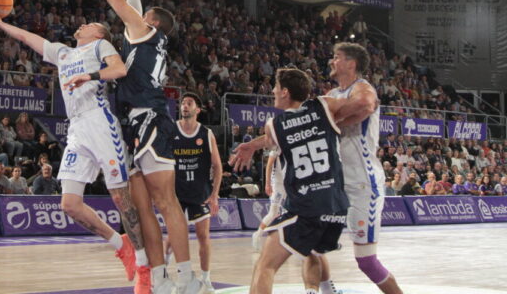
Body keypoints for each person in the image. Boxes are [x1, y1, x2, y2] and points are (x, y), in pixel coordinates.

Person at [0, 6, 146, 286]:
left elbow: (119, 69)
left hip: (100, 121)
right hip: (77, 127)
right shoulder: (63, 52)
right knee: (69, 204)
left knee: (120, 197)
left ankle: (144, 265)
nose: (82, 24)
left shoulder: (100, 46)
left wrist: (90, 77)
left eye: (90, 22)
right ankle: (122, 245)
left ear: (99, 33)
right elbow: (26, 37)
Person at [73, 0, 200, 294]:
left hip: (152, 118)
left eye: (141, 14)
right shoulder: (144, 37)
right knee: (142, 209)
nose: (135, 15)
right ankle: (159, 279)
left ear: (151, 22)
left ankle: (187, 277)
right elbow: (129, 2)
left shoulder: (146, 30)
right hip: (131, 123)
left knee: (165, 201)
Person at [229, 68, 363, 294]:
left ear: (284, 92)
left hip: (305, 205)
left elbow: (271, 140)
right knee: (312, 251)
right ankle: (321, 291)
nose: (272, 91)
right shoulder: (324, 106)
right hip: (336, 206)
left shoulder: (275, 124)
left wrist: (251, 145)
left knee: (265, 265)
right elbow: (362, 105)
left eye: (275, 87)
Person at [323, 43, 404, 294]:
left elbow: (365, 105)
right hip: (336, 183)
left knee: (367, 262)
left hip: (362, 183)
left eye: (336, 57)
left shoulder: (363, 87)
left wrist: (333, 119)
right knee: (311, 245)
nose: (331, 61)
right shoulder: (333, 93)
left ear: (351, 63)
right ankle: (325, 290)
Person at [166, 93, 222, 294]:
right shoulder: (171, 129)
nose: (184, 106)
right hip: (176, 193)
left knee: (202, 236)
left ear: (198, 109)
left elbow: (217, 166)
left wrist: (215, 194)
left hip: (200, 192)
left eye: (189, 103)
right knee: (173, 237)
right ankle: (162, 276)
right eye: (182, 103)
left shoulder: (206, 134)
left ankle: (206, 280)